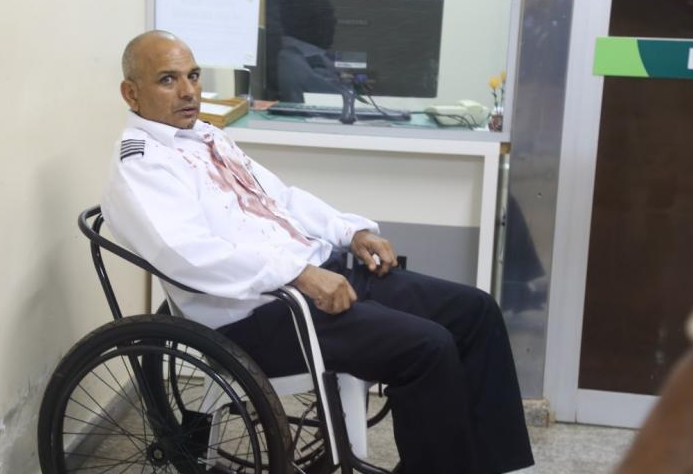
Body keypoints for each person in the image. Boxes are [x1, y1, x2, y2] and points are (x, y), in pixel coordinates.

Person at [102, 30, 534, 474]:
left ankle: (495, 466)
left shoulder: (207, 136)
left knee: (476, 312)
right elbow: (192, 256)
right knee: (428, 348)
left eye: (193, 76)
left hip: (310, 278)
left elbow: (282, 199)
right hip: (257, 315)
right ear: (131, 93)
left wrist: (351, 231)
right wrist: (299, 274)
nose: (188, 90)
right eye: (168, 80)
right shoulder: (142, 166)